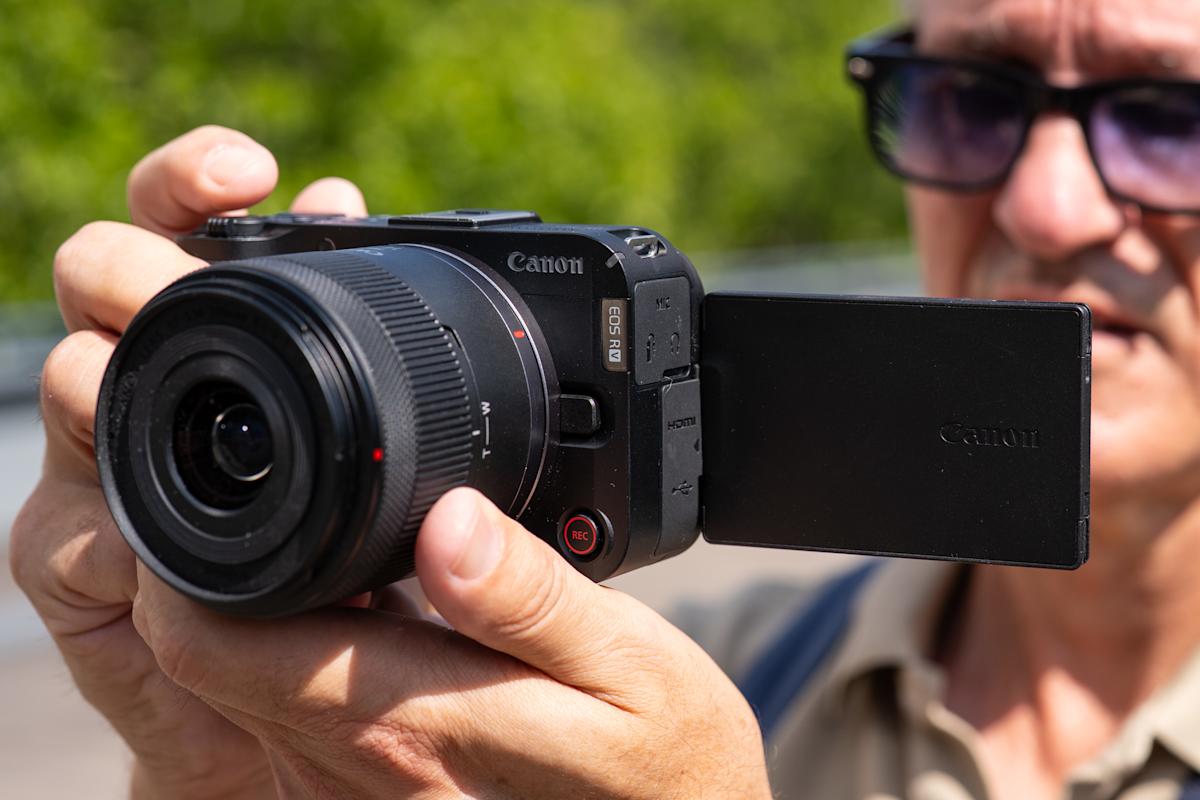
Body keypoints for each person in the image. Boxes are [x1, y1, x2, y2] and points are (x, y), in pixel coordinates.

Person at [12, 0, 1200, 796]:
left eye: (1170, 117)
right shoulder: (698, 679)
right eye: (970, 97)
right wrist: (231, 769)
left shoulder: (689, 736)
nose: (1046, 207)